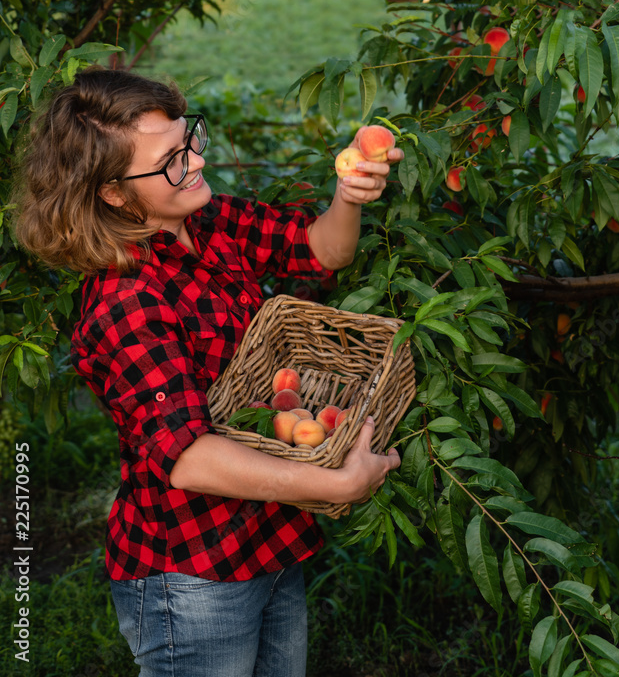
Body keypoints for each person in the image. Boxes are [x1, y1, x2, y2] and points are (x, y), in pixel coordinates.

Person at [12, 65, 403, 677]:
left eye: (188, 138)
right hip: (192, 572)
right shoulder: (125, 302)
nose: (194, 160)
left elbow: (323, 248)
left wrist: (348, 196)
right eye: (170, 159)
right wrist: (338, 486)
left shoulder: (208, 222)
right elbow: (189, 459)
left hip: (270, 533)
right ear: (113, 192)